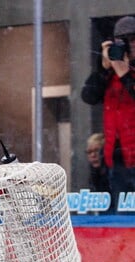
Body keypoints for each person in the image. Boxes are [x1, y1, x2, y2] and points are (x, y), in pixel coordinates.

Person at [82, 15, 135, 214]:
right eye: (123, 40)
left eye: (132, 39)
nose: (129, 46)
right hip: (116, 161)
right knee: (119, 221)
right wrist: (103, 69)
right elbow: (88, 96)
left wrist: (126, 75)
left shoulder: (123, 73)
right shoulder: (109, 74)